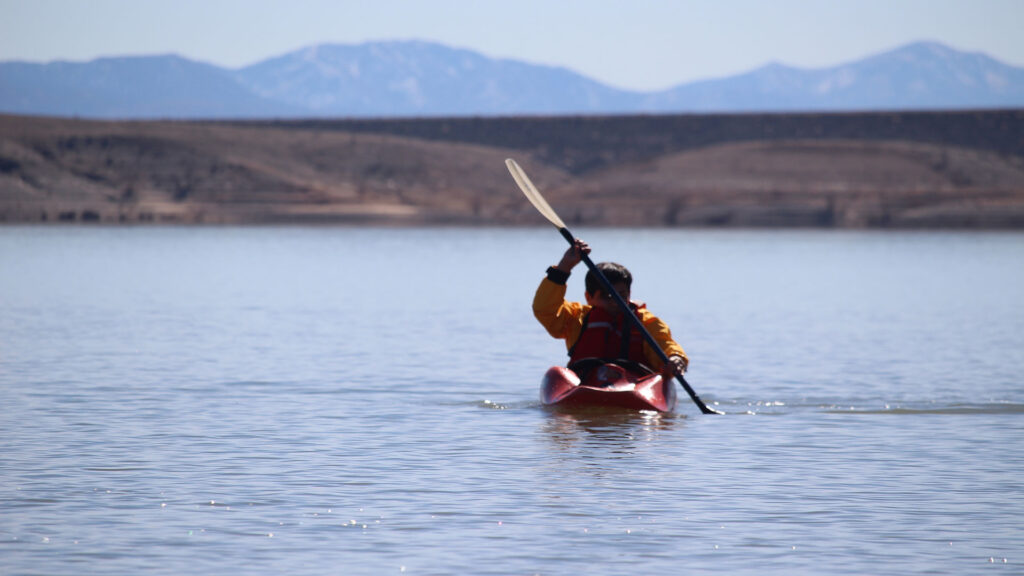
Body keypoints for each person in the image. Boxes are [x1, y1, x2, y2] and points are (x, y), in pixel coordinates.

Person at [532, 238, 688, 380]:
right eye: (606, 296)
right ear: (589, 297)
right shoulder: (575, 318)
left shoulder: (646, 322)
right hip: (585, 382)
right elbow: (544, 309)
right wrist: (564, 267)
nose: (615, 302)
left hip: (634, 384)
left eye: (621, 295)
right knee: (555, 373)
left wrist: (675, 358)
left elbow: (665, 344)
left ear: (630, 294)